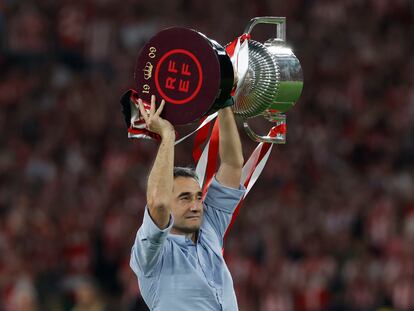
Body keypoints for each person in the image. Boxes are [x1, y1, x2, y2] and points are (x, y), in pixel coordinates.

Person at [130, 94, 245, 310]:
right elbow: (158, 203)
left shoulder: (209, 228)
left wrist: (224, 102)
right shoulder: (152, 254)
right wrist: (167, 136)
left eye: (198, 197)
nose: (195, 206)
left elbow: (233, 164)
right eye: (184, 198)